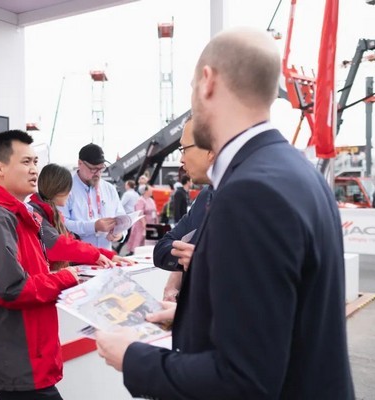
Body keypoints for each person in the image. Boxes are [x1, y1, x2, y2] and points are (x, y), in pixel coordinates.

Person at [96, 27, 354, 399]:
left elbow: (243, 380)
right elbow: (282, 320)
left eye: (191, 89)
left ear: (208, 81)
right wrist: (187, 320)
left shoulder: (250, 191)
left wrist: (132, 358)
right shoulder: (296, 172)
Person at [0, 130, 80, 400]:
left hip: (25, 352)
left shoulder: (15, 214)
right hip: (16, 357)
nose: (34, 169)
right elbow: (11, 288)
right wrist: (65, 277)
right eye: (25, 162)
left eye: (35, 162)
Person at [153, 118, 215, 301]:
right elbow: (161, 250)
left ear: (209, 150)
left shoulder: (245, 196)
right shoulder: (205, 197)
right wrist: (184, 262)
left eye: (184, 149)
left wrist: (201, 258)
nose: (181, 159)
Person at [28, 163, 133, 270]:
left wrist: (108, 256)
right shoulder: (35, 214)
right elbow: (59, 246)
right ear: (57, 189)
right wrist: (95, 255)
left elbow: (72, 244)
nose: (70, 194)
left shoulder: (52, 214)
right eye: (68, 189)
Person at [59, 143, 126, 250]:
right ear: (80, 163)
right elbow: (61, 224)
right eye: (93, 169)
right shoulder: (66, 188)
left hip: (106, 255)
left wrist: (120, 234)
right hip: (77, 256)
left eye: (101, 168)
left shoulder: (110, 189)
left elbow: (122, 217)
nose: (98, 174)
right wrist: (93, 227)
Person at [125, 184, 158, 255]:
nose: (151, 191)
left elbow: (154, 211)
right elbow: (140, 213)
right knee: (139, 240)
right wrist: (144, 224)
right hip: (141, 225)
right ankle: (134, 253)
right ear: (145, 191)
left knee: (149, 242)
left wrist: (156, 222)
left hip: (151, 224)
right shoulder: (140, 200)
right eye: (150, 189)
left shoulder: (151, 200)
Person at [116, 179, 139, 253]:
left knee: (125, 233)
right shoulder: (136, 194)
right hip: (134, 215)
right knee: (131, 234)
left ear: (128, 186)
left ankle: (118, 249)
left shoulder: (127, 194)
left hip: (127, 215)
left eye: (126, 185)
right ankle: (126, 249)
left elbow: (121, 204)